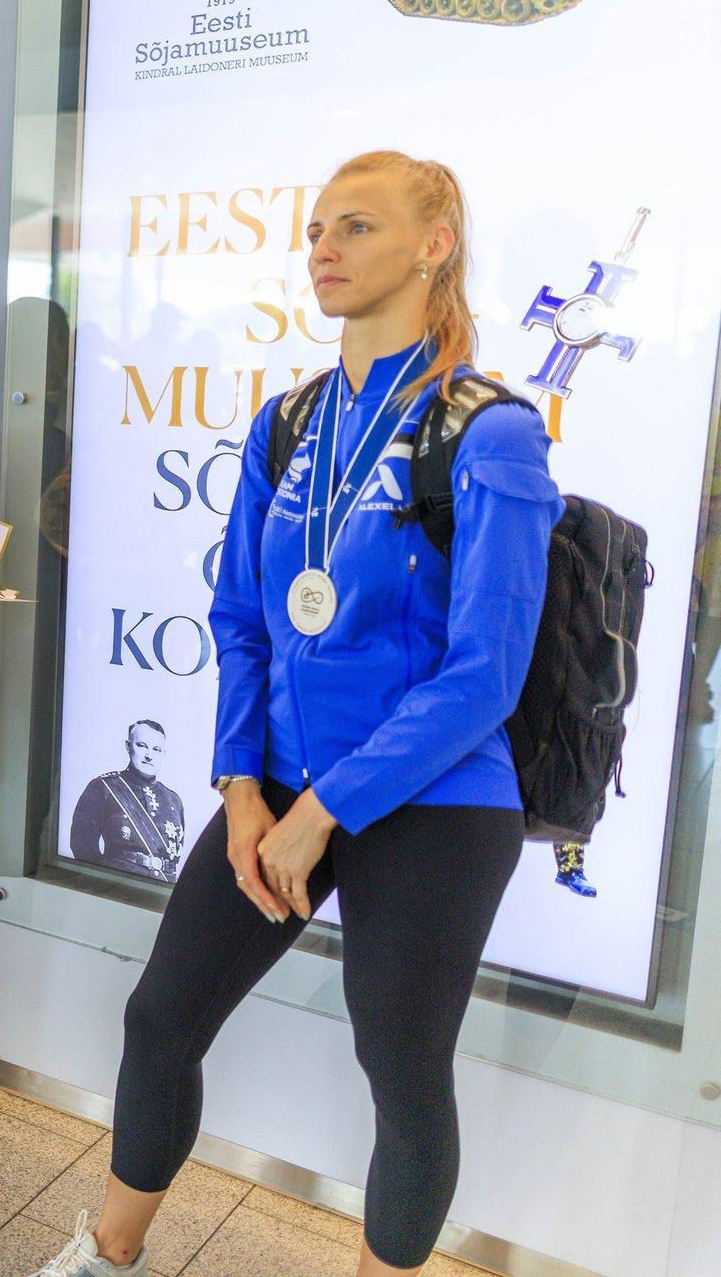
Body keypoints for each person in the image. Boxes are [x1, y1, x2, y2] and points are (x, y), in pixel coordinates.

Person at [32, 150, 563, 1277]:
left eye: (354, 227)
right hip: (275, 782)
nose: (319, 248)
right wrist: (238, 789)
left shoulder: (491, 432)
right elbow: (240, 618)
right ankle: (108, 1252)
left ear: (433, 244)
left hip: (433, 794)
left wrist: (320, 808)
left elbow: (483, 675)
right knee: (159, 1018)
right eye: (315, 227)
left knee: (400, 1065)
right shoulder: (288, 425)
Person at [69, 720, 186, 881]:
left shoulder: (174, 800)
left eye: (156, 749)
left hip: (163, 888)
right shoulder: (104, 787)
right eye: (142, 746)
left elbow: (175, 858)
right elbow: (82, 846)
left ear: (163, 754)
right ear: (127, 746)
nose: (149, 755)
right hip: (118, 885)